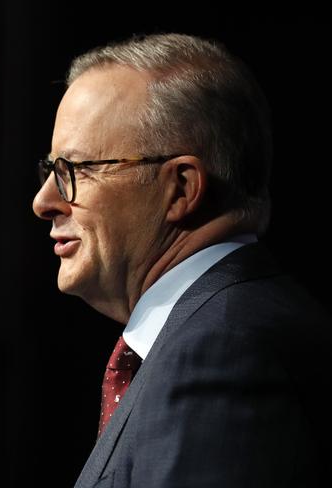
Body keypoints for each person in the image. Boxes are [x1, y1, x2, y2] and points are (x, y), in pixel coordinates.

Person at [32, 33, 331, 488]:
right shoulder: (216, 332)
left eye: (77, 171)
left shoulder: (222, 351)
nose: (44, 200)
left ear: (181, 188)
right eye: (51, 171)